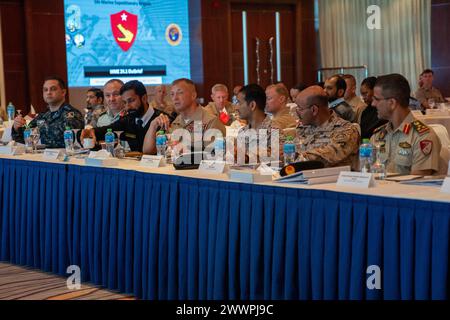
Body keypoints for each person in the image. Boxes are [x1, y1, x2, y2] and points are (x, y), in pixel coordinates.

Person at [371, 74, 441, 175]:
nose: (373, 104)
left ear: (392, 103)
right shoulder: (378, 135)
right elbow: (368, 173)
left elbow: (418, 184)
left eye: (376, 99)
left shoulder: (423, 137)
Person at [82, 80, 172, 152]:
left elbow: (151, 151)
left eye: (131, 101)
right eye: (125, 102)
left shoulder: (163, 119)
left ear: (144, 98)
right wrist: (91, 131)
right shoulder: (128, 120)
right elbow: (106, 130)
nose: (128, 107)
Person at [142, 78, 225, 155]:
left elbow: (216, 156)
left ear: (193, 95)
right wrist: (152, 125)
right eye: (172, 94)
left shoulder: (211, 121)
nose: (175, 98)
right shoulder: (175, 122)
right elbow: (148, 151)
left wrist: (186, 150)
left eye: (180, 92)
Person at [294, 85, 360, 168]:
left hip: (334, 179)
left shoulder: (346, 130)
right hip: (302, 177)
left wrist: (292, 155)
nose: (297, 112)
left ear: (314, 110)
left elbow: (323, 157)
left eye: (300, 108)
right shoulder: (303, 127)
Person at [12, 76, 83, 148]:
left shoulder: (71, 114)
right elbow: (25, 139)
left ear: (63, 92)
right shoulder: (43, 115)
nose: (48, 92)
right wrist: (17, 127)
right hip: (45, 156)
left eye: (53, 89)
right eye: (45, 90)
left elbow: (70, 141)